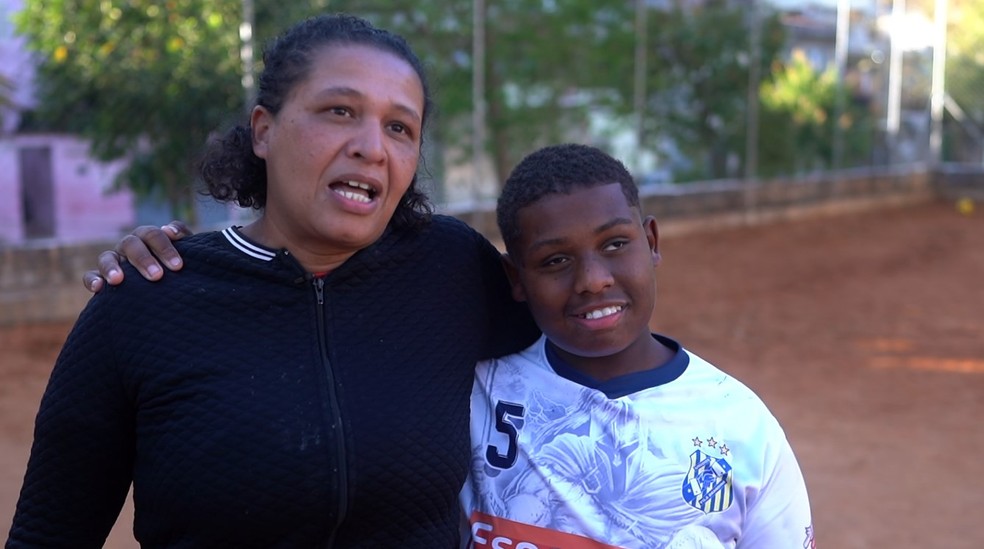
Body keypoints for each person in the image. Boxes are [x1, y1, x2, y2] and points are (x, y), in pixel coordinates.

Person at [7, 14, 538, 548]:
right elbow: (49, 534)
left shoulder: (453, 268)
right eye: (340, 111)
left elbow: (591, 332)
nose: (371, 147)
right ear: (264, 130)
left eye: (399, 127)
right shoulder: (145, 301)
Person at [459, 144, 816, 548]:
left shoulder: (739, 424)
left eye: (614, 244)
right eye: (556, 260)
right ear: (516, 277)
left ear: (651, 241)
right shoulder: (475, 394)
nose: (593, 280)